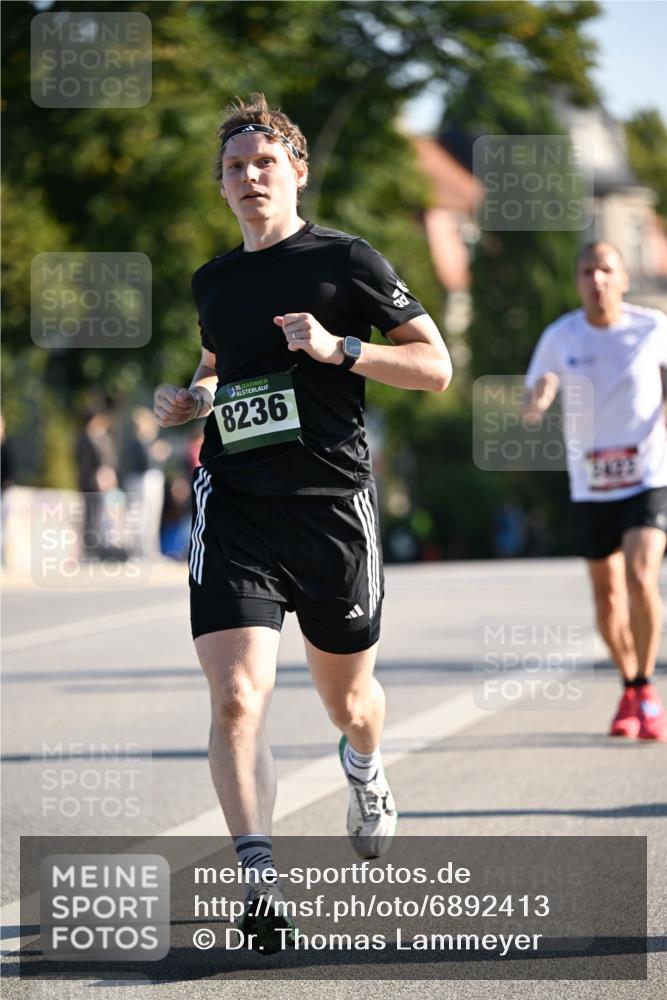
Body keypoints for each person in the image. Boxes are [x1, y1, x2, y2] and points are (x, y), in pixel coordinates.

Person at [153, 93, 451, 952]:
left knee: (348, 701)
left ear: (296, 174)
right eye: (235, 167)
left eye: (264, 163)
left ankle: (363, 763)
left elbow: (434, 365)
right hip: (236, 504)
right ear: (220, 185)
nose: (250, 177)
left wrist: (339, 348)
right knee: (236, 696)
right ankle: (259, 884)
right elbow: (219, 368)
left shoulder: (345, 260)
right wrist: (192, 399)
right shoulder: (214, 281)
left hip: (329, 509)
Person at [524, 241, 667, 741]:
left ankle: (646, 689)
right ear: (578, 281)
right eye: (587, 271)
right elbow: (531, 401)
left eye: (606, 269)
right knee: (607, 599)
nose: (597, 279)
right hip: (591, 483)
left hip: (648, 476)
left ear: (623, 279)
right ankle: (630, 686)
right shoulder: (560, 336)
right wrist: (538, 399)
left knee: (640, 576)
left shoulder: (653, 328)